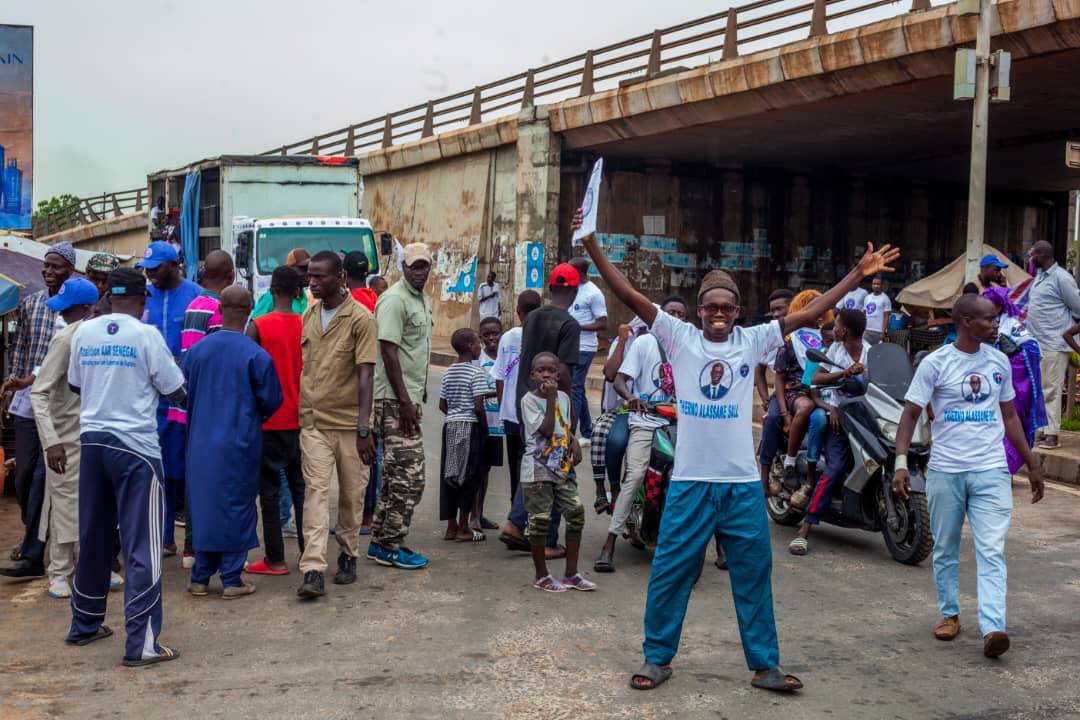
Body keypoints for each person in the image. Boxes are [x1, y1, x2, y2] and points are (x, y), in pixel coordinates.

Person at [578, 212, 898, 693]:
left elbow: (811, 314)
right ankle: (657, 658)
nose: (719, 313)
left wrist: (857, 274)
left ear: (738, 309)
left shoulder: (755, 340)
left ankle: (764, 666)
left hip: (742, 486)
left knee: (753, 575)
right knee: (671, 571)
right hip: (690, 482)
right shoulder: (677, 335)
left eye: (727, 305)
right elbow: (629, 296)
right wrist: (593, 246)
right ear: (699, 310)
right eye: (711, 307)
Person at [893, 294, 1044, 659]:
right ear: (964, 321)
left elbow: (1009, 417)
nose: (995, 325)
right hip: (946, 471)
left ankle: (994, 627)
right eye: (989, 319)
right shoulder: (935, 363)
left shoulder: (999, 362)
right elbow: (911, 415)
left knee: (992, 550)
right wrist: (901, 463)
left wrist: (1031, 463)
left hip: (991, 470)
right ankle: (950, 613)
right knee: (944, 547)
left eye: (995, 319)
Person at [65, 267, 186, 667]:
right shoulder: (146, 336)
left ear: (108, 298)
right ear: (143, 299)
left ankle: (84, 624)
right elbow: (176, 390)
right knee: (143, 546)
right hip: (136, 449)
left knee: (94, 536)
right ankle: (143, 644)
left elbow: (76, 385)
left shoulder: (84, 331)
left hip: (93, 442)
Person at [183, 287, 282, 599]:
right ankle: (231, 578)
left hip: (199, 443)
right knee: (237, 506)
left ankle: (200, 576)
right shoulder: (256, 354)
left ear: (220, 309)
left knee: (204, 506)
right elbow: (271, 400)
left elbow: (182, 392)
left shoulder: (196, 352)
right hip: (239, 441)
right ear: (250, 309)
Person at [297, 251, 377, 598]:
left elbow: (366, 374)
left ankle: (348, 554)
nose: (312, 282)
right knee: (315, 493)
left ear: (340, 276)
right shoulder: (310, 314)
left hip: (349, 423)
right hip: (314, 420)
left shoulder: (361, 319)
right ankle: (313, 567)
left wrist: (363, 429)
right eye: (310, 275)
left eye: (320, 276)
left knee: (351, 494)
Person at [593, 297, 686, 573]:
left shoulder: (691, 348)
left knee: (701, 477)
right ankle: (609, 542)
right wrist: (632, 397)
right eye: (671, 313)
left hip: (682, 425)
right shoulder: (646, 343)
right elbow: (620, 378)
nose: (676, 318)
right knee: (634, 475)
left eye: (681, 314)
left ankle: (717, 547)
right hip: (646, 421)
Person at [0, 242, 75, 579]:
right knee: (25, 472)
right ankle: (34, 532)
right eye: (46, 265)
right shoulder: (30, 305)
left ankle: (34, 550)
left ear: (69, 271)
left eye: (55, 266)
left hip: (59, 405)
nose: (48, 271)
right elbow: (21, 349)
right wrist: (10, 387)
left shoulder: (76, 310)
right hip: (28, 400)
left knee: (47, 478)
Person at [499, 263, 583, 558]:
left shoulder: (532, 317)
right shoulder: (570, 324)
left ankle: (517, 523)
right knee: (557, 468)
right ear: (574, 290)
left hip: (527, 400)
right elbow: (566, 374)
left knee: (536, 463)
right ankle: (544, 538)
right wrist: (571, 416)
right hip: (552, 403)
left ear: (551, 288)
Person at [26, 278, 99, 597]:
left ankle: (90, 567)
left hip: (94, 432)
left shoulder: (98, 336)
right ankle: (59, 572)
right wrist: (51, 440)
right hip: (65, 436)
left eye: (67, 309)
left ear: (85, 309)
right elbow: (39, 393)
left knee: (91, 503)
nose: (62, 314)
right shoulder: (65, 339)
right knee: (65, 503)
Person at [368, 243, 433, 570]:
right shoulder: (395, 299)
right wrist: (406, 403)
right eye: (414, 266)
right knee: (411, 477)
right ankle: (391, 544)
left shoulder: (419, 299)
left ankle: (382, 540)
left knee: (396, 477)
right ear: (403, 267)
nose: (419, 271)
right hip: (394, 402)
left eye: (424, 266)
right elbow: (388, 351)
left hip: (406, 401)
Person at [788, 308, 868, 556]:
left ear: (844, 330)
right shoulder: (835, 351)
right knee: (833, 469)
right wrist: (844, 374)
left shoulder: (872, 351)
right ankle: (805, 529)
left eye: (837, 325)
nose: (834, 329)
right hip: (840, 417)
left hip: (867, 416)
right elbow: (817, 378)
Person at [139, 240, 201, 557]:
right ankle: (163, 537)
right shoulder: (143, 298)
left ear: (174, 265)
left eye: (155, 269)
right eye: (146, 270)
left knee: (186, 471)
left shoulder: (196, 297)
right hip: (151, 403)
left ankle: (193, 539)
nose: (150, 275)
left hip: (185, 399)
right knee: (157, 471)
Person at [246, 266, 306, 576]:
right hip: (302, 420)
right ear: (299, 292)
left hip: (268, 421)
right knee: (302, 490)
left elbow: (248, 375)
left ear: (271, 290)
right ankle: (310, 556)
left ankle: (275, 559)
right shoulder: (307, 324)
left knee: (268, 493)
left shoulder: (257, 326)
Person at [520, 352, 593, 593]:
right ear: (532, 375)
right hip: (537, 470)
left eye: (551, 370)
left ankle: (571, 573)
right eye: (541, 370)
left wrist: (572, 440)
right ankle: (541, 575)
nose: (546, 374)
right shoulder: (529, 400)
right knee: (540, 521)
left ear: (558, 374)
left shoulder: (563, 396)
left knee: (576, 513)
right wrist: (550, 399)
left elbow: (563, 425)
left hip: (561, 467)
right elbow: (545, 429)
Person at [775, 290, 831, 505]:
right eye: (810, 309)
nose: (816, 316)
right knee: (806, 407)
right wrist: (784, 413)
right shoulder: (790, 338)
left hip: (825, 392)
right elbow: (779, 378)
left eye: (820, 311)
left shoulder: (830, 336)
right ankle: (789, 462)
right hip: (796, 392)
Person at [1026, 240, 1080, 449]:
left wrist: (1068, 331)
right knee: (1039, 389)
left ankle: (1052, 434)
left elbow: (1077, 307)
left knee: (1051, 389)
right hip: (1037, 344)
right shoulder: (1039, 277)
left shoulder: (1062, 278)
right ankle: (1041, 429)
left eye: (1033, 255)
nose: (1031, 259)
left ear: (1043, 255)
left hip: (1054, 343)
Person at [490, 290, 542, 504]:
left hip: (511, 414)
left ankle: (516, 513)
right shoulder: (544, 335)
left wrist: (503, 406)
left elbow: (499, 376)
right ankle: (530, 514)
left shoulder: (508, 337)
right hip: (537, 414)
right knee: (534, 466)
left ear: (518, 311)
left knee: (516, 466)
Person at [439, 328, 489, 542]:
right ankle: (464, 527)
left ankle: (451, 527)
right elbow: (479, 407)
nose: (480, 347)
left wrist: (455, 413)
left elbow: (442, 404)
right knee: (470, 476)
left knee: (450, 474)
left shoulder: (449, 371)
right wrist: (484, 430)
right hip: (470, 427)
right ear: (471, 346)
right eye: (478, 343)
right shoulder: (476, 372)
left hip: (450, 426)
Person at [756, 289, 794, 497]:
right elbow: (759, 371)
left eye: (781, 308)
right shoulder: (770, 336)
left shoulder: (806, 331)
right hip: (783, 393)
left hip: (810, 392)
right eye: (773, 311)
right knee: (771, 419)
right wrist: (764, 398)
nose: (777, 314)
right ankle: (764, 473)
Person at [567, 256, 607, 444]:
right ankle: (587, 432)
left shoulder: (594, 293)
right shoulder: (572, 288)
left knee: (574, 387)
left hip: (585, 347)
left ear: (580, 272)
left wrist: (578, 327)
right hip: (570, 345)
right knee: (577, 387)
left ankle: (569, 434)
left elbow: (602, 323)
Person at [473, 316, 504, 530]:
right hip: (482, 422)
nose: (492, 338)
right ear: (481, 336)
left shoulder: (507, 356)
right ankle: (473, 515)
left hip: (500, 424)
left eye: (495, 333)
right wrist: (498, 392)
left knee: (487, 471)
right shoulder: (478, 359)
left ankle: (480, 513)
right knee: (478, 470)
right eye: (487, 334)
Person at [251, 248, 311, 319]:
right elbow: (253, 324)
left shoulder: (305, 297)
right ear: (290, 269)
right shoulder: (272, 296)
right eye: (303, 268)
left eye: (309, 268)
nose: (308, 272)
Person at [863, 276, 892, 344]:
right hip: (867, 330)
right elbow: (864, 314)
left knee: (878, 352)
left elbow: (886, 317)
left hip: (878, 332)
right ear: (871, 285)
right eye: (874, 284)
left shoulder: (885, 298)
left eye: (878, 284)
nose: (876, 286)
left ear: (882, 285)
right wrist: (863, 329)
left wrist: (883, 332)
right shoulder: (867, 298)